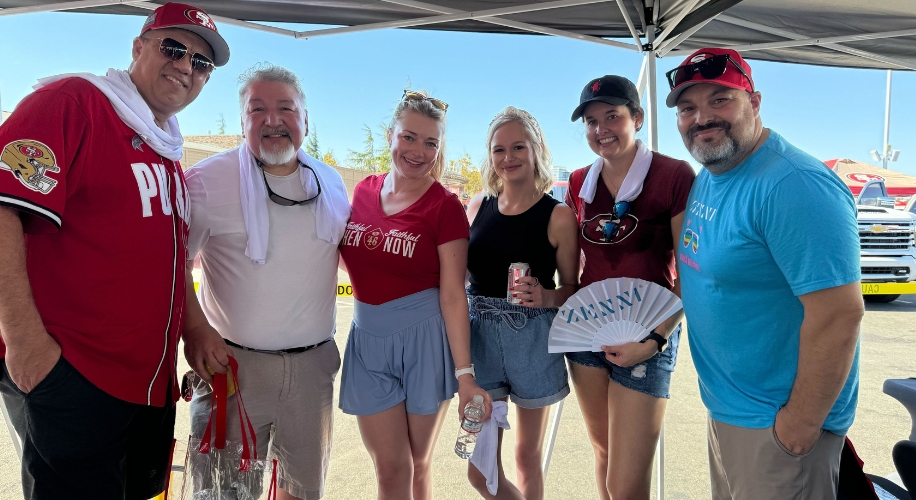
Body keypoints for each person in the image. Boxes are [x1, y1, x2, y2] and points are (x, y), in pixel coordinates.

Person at [0, 3, 228, 499]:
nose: (186, 66)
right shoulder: (73, 101)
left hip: (147, 384)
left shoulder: (166, 149)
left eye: (202, 62)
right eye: (174, 48)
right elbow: (2, 210)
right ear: (138, 47)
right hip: (74, 374)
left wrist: (195, 327)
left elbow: (167, 260)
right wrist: (25, 345)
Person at [668, 47, 863, 500]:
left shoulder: (794, 185)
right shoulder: (713, 172)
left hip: (778, 430)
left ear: (753, 103)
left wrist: (798, 427)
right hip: (731, 412)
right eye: (688, 108)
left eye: (720, 100)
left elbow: (840, 315)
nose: (702, 118)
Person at [182, 63, 349, 500]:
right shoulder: (205, 181)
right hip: (234, 370)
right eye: (257, 109)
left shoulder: (330, 183)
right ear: (243, 122)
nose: (272, 119)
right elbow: (175, 263)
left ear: (305, 120)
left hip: (312, 370)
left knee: (303, 491)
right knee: (223, 493)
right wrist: (195, 331)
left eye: (285, 108)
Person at [338, 90, 491, 500]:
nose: (418, 151)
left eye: (431, 143)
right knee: (392, 467)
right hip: (367, 340)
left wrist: (465, 375)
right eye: (409, 137)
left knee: (416, 464)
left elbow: (454, 295)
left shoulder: (445, 207)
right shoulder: (362, 193)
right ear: (391, 135)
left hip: (424, 341)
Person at [563, 75, 695, 500]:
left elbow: (691, 274)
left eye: (613, 116)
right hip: (588, 334)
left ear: (636, 118)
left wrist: (656, 340)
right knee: (603, 452)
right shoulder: (579, 181)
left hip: (647, 334)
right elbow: (570, 265)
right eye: (591, 121)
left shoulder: (674, 175)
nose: (601, 129)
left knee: (627, 481)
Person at [464, 106, 578, 500]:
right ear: (490, 156)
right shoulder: (478, 205)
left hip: (533, 340)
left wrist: (546, 295)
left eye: (518, 147)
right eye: (499, 150)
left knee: (527, 457)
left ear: (536, 151)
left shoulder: (559, 216)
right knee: (479, 471)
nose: (508, 157)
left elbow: (573, 288)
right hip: (479, 340)